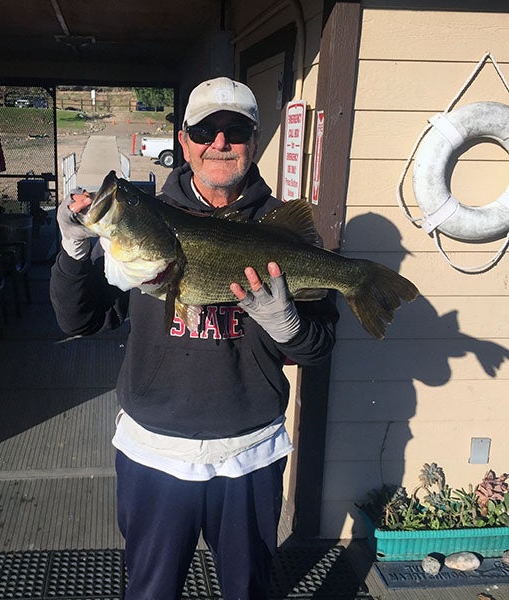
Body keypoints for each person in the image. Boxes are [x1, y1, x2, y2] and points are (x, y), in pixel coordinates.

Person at [50, 77, 339, 600]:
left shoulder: (277, 227)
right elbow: (81, 320)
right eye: (205, 130)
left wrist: (288, 324)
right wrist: (74, 251)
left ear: (255, 142)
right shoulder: (147, 221)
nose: (220, 143)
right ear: (184, 141)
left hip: (249, 454)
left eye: (235, 130)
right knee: (151, 591)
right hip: (155, 453)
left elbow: (319, 349)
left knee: (248, 590)